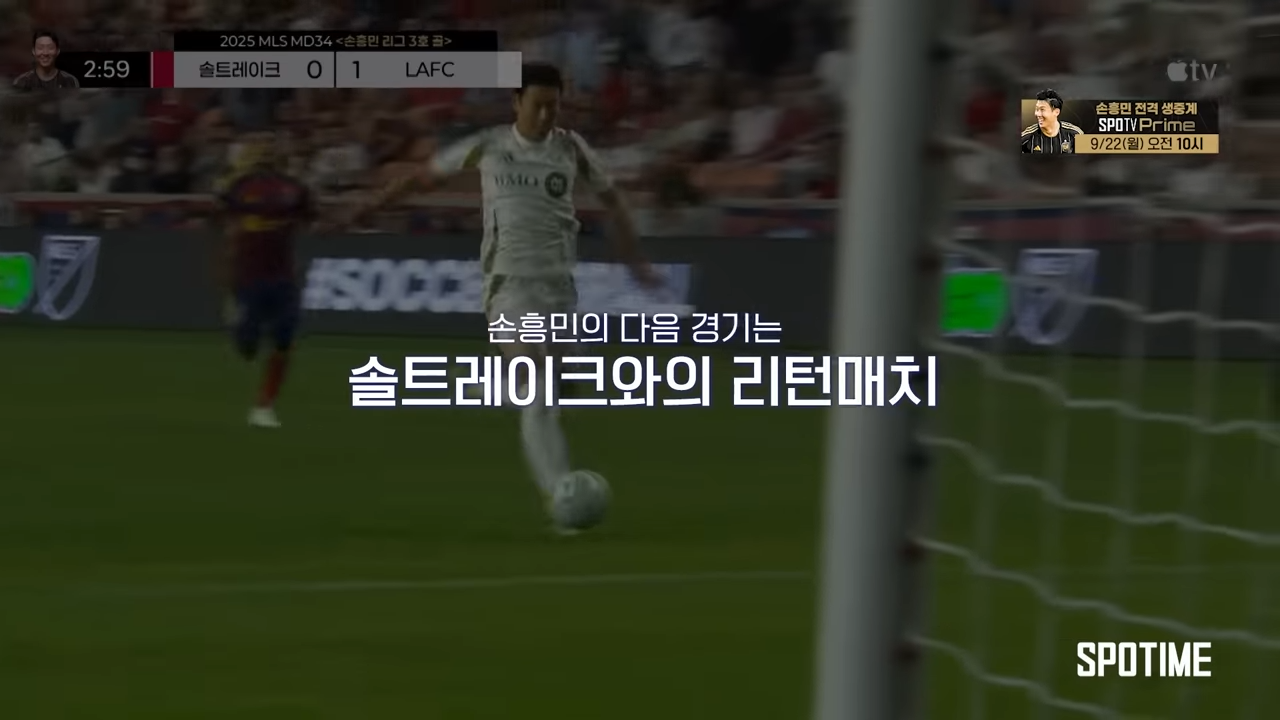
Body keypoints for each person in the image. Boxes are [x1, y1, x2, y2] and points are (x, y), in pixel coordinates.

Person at [347, 63, 660, 532]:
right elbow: (423, 177)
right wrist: (373, 204)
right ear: (516, 103)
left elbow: (615, 203)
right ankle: (559, 497)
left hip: (559, 290)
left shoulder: (571, 148)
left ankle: (492, 385)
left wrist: (636, 263)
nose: (546, 115)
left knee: (567, 382)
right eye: (537, 105)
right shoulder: (489, 145)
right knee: (539, 389)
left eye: (553, 106)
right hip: (509, 286)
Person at [217, 133, 314, 428]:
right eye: (262, 147)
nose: (267, 152)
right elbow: (225, 221)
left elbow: (311, 219)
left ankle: (264, 405)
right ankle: (239, 325)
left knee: (285, 338)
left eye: (272, 147)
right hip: (249, 274)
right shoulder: (238, 186)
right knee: (247, 345)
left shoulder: (295, 188)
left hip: (282, 276)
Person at [13, 30, 80, 92]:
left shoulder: (69, 81)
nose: (45, 53)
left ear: (57, 51)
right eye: (40, 48)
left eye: (50, 48)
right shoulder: (22, 82)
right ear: (33, 51)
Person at [1021, 88, 1080, 154]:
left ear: (1056, 112)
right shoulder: (1027, 136)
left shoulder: (1077, 133)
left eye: (1042, 109)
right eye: (1037, 109)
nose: (1037, 114)